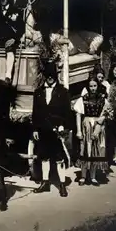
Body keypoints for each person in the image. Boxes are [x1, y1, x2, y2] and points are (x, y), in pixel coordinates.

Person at [31, 60, 73, 197]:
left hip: (57, 130)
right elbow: (35, 112)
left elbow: (67, 112)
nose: (50, 77)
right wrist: (35, 129)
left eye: (52, 75)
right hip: (43, 129)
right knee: (44, 156)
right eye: (48, 75)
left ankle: (62, 184)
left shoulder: (63, 92)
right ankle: (45, 183)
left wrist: (63, 127)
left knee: (59, 157)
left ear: (55, 76)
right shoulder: (38, 92)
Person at [74, 76, 110, 186]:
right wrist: (79, 131)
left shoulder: (102, 99)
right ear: (88, 87)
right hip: (86, 125)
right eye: (91, 86)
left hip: (98, 126)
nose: (93, 88)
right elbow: (78, 114)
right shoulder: (83, 99)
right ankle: (83, 176)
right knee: (85, 148)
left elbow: (106, 113)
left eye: (95, 86)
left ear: (97, 86)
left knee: (95, 149)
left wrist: (101, 122)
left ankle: (93, 176)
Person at [0, 0, 23, 84]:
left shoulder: (16, 11)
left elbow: (21, 27)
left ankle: (8, 76)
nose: (3, 0)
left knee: (10, 48)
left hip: (11, 38)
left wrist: (15, 38)